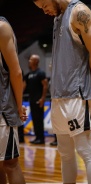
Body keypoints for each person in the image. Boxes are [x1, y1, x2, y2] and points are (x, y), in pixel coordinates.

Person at [32, 0, 91, 183]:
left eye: (44, 5)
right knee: (64, 153)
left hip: (76, 96)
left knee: (85, 150)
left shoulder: (79, 12)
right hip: (58, 97)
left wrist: (90, 88)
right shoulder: (57, 18)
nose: (44, 11)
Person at [0, 16, 27, 184]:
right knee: (6, 164)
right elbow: (16, 72)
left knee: (9, 163)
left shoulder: (2, 28)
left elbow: (16, 72)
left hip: (3, 110)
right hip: (3, 109)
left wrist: (18, 105)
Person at [23, 54, 48, 144]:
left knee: (39, 119)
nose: (29, 61)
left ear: (36, 61)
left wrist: (43, 98)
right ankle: (37, 137)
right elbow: (23, 86)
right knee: (34, 119)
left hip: (39, 99)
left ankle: (41, 138)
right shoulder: (29, 74)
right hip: (31, 99)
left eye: (31, 59)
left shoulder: (40, 73)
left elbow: (45, 85)